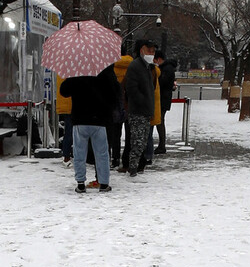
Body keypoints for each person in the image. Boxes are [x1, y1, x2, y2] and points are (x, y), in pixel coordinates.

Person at [59, 65, 120, 194]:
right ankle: (104, 183)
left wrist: (71, 75)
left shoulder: (76, 72)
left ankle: (80, 183)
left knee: (79, 153)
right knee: (102, 153)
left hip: (79, 119)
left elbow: (63, 91)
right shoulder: (104, 72)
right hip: (99, 119)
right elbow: (114, 94)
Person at [123, 38, 157, 177]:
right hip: (137, 111)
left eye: (153, 51)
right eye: (149, 50)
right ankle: (132, 168)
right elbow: (131, 89)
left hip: (145, 110)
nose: (152, 54)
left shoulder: (147, 67)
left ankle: (135, 166)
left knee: (142, 141)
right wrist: (143, 102)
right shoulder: (135, 66)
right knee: (137, 141)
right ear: (142, 50)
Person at [155, 51, 177, 153]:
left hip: (163, 98)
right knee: (160, 121)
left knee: (160, 121)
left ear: (159, 59)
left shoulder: (166, 69)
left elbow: (162, 82)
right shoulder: (168, 68)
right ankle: (161, 144)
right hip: (165, 97)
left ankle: (162, 145)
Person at [56, 74, 74, 164]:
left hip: (65, 106)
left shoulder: (61, 72)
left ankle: (66, 155)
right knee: (74, 132)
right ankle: (67, 154)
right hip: (74, 106)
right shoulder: (74, 73)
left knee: (68, 131)